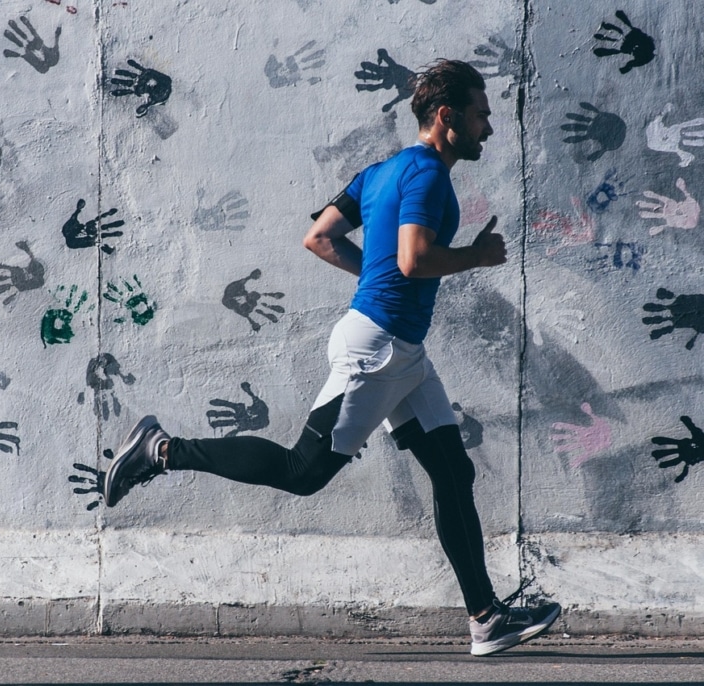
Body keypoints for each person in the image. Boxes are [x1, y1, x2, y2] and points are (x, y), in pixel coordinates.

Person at [103, 59, 561, 657]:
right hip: (378, 350)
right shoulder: (427, 177)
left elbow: (319, 236)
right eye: (481, 116)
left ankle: (485, 619)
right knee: (304, 472)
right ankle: (161, 450)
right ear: (446, 117)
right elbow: (413, 262)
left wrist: (377, 276)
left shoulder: (378, 172)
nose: (489, 130)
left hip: (403, 352)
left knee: (453, 470)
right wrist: (475, 257)